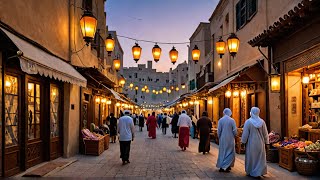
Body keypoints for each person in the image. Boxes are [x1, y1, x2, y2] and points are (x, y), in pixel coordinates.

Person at [241, 107, 269, 178]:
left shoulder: (248, 122)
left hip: (251, 143)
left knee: (252, 158)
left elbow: (245, 134)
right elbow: (265, 134)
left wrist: (243, 142)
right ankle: (259, 172)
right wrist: (267, 143)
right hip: (260, 143)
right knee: (259, 158)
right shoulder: (262, 122)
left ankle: (251, 171)